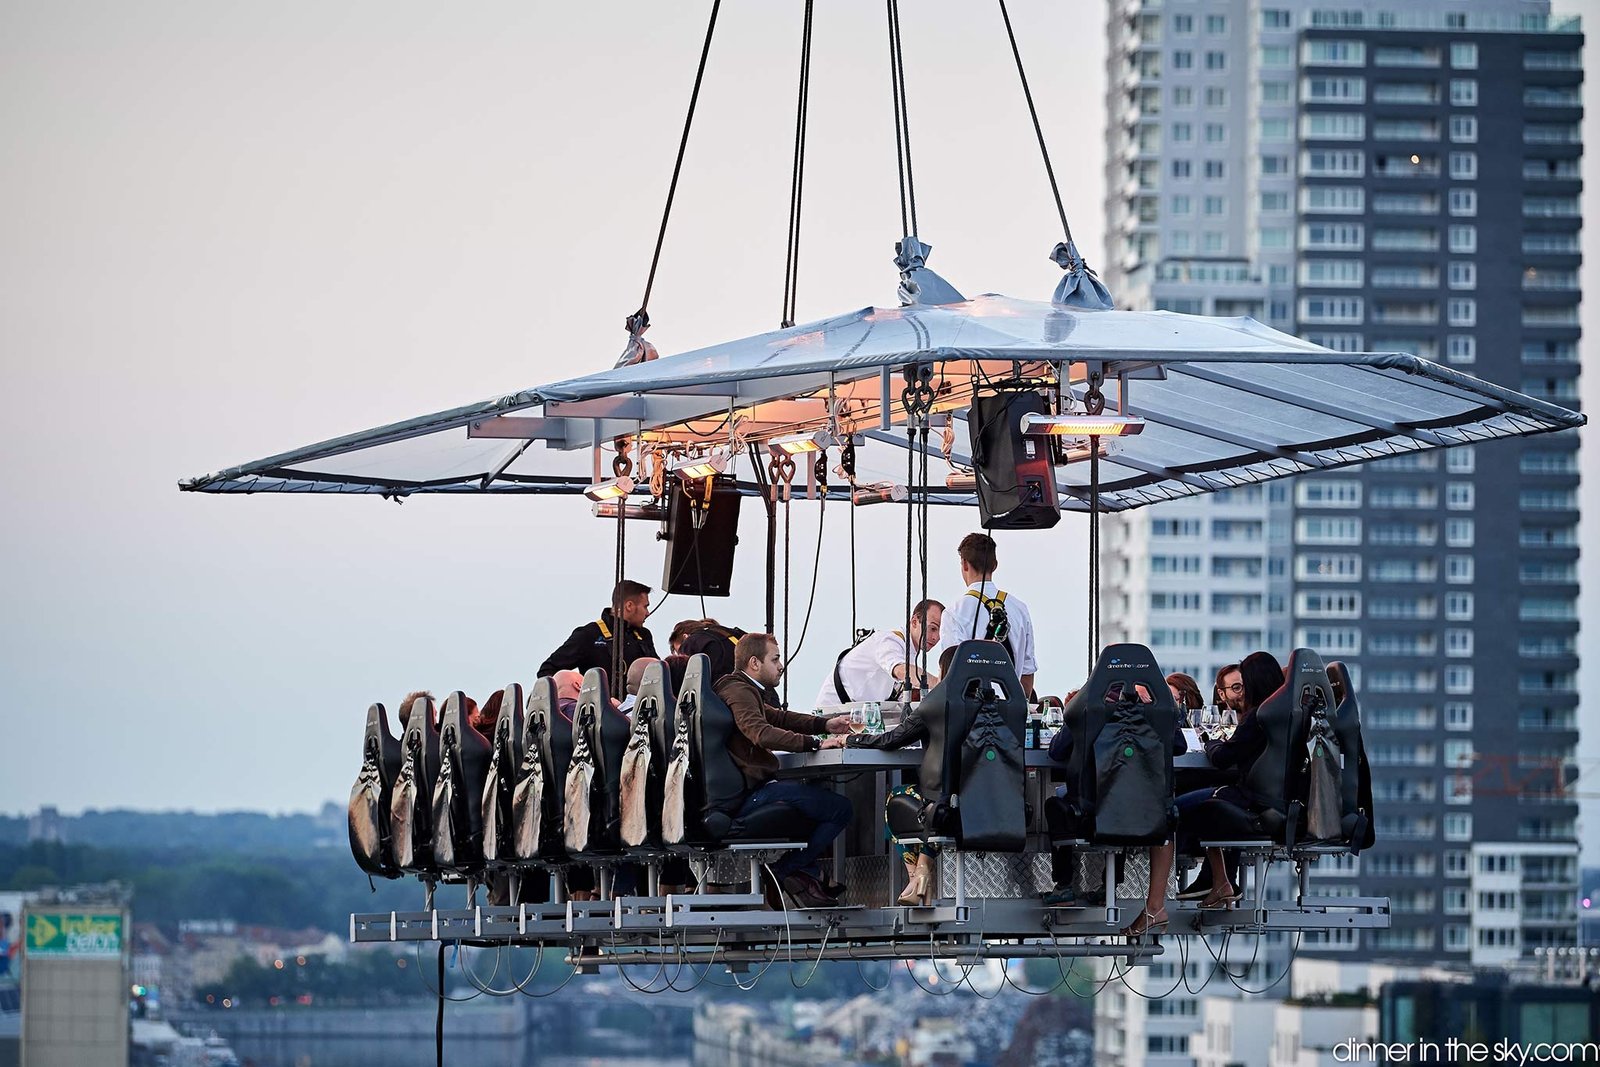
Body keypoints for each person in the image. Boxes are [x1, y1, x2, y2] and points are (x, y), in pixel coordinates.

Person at [714, 633, 852, 908]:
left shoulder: (739, 689)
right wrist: (814, 744)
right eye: (775, 659)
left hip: (744, 792)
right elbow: (761, 732)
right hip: (746, 797)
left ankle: (808, 874)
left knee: (818, 797)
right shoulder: (739, 691)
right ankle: (783, 871)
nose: (781, 665)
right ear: (754, 663)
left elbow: (778, 717)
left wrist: (825, 725)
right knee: (840, 809)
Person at [1168, 651, 1285, 912]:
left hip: (1251, 798)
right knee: (1210, 800)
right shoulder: (1284, 714)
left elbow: (1222, 758)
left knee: (1178, 807)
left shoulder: (1258, 716)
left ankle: (1210, 881)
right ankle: (1218, 880)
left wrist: (1211, 743)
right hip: (1273, 799)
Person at [935, 533, 1037, 697]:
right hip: (1012, 709)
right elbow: (1027, 671)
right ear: (995, 565)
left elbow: (952, 672)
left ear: (964, 564)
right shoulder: (1020, 609)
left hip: (972, 712)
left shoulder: (954, 612)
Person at [814, 599, 944, 707]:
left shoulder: (910, 654)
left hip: (857, 716)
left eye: (940, 632)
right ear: (914, 622)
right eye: (932, 628)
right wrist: (939, 684)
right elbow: (900, 670)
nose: (936, 637)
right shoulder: (890, 641)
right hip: (832, 713)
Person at [538, 579, 658, 681]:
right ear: (629, 606)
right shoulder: (589, 635)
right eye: (645, 606)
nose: (648, 613)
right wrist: (577, 694)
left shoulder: (644, 636)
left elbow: (659, 674)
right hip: (601, 707)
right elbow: (547, 671)